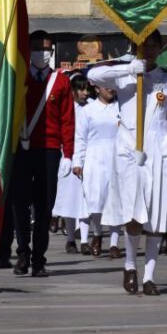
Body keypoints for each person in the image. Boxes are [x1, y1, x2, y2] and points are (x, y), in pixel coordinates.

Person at [89, 30, 167, 296]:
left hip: (157, 154)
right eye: (144, 46)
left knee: (156, 220)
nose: (149, 51)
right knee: (133, 215)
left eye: (154, 46)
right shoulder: (125, 75)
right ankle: (130, 265)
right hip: (129, 153)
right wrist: (128, 68)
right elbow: (93, 76)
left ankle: (149, 277)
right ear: (135, 47)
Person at [0, 30, 75, 276]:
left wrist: (69, 154)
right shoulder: (16, 78)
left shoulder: (61, 81)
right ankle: (22, 253)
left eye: (46, 49)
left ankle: (39, 259)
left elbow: (68, 121)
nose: (42, 53)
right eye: (36, 48)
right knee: (19, 204)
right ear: (27, 49)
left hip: (50, 150)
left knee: (44, 207)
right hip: (20, 148)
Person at [73, 80, 120, 257]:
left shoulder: (121, 108)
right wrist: (78, 161)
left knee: (115, 201)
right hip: (94, 158)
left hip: (116, 157)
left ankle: (114, 244)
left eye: (112, 85)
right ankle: (98, 234)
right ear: (97, 88)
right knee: (96, 200)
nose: (109, 89)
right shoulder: (88, 110)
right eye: (105, 85)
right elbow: (80, 138)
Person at [54, 74, 90, 254]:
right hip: (68, 154)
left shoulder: (90, 108)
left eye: (86, 89)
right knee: (69, 198)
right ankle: (70, 239)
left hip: (85, 156)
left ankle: (84, 239)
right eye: (81, 89)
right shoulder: (67, 108)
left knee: (84, 199)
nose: (85, 93)